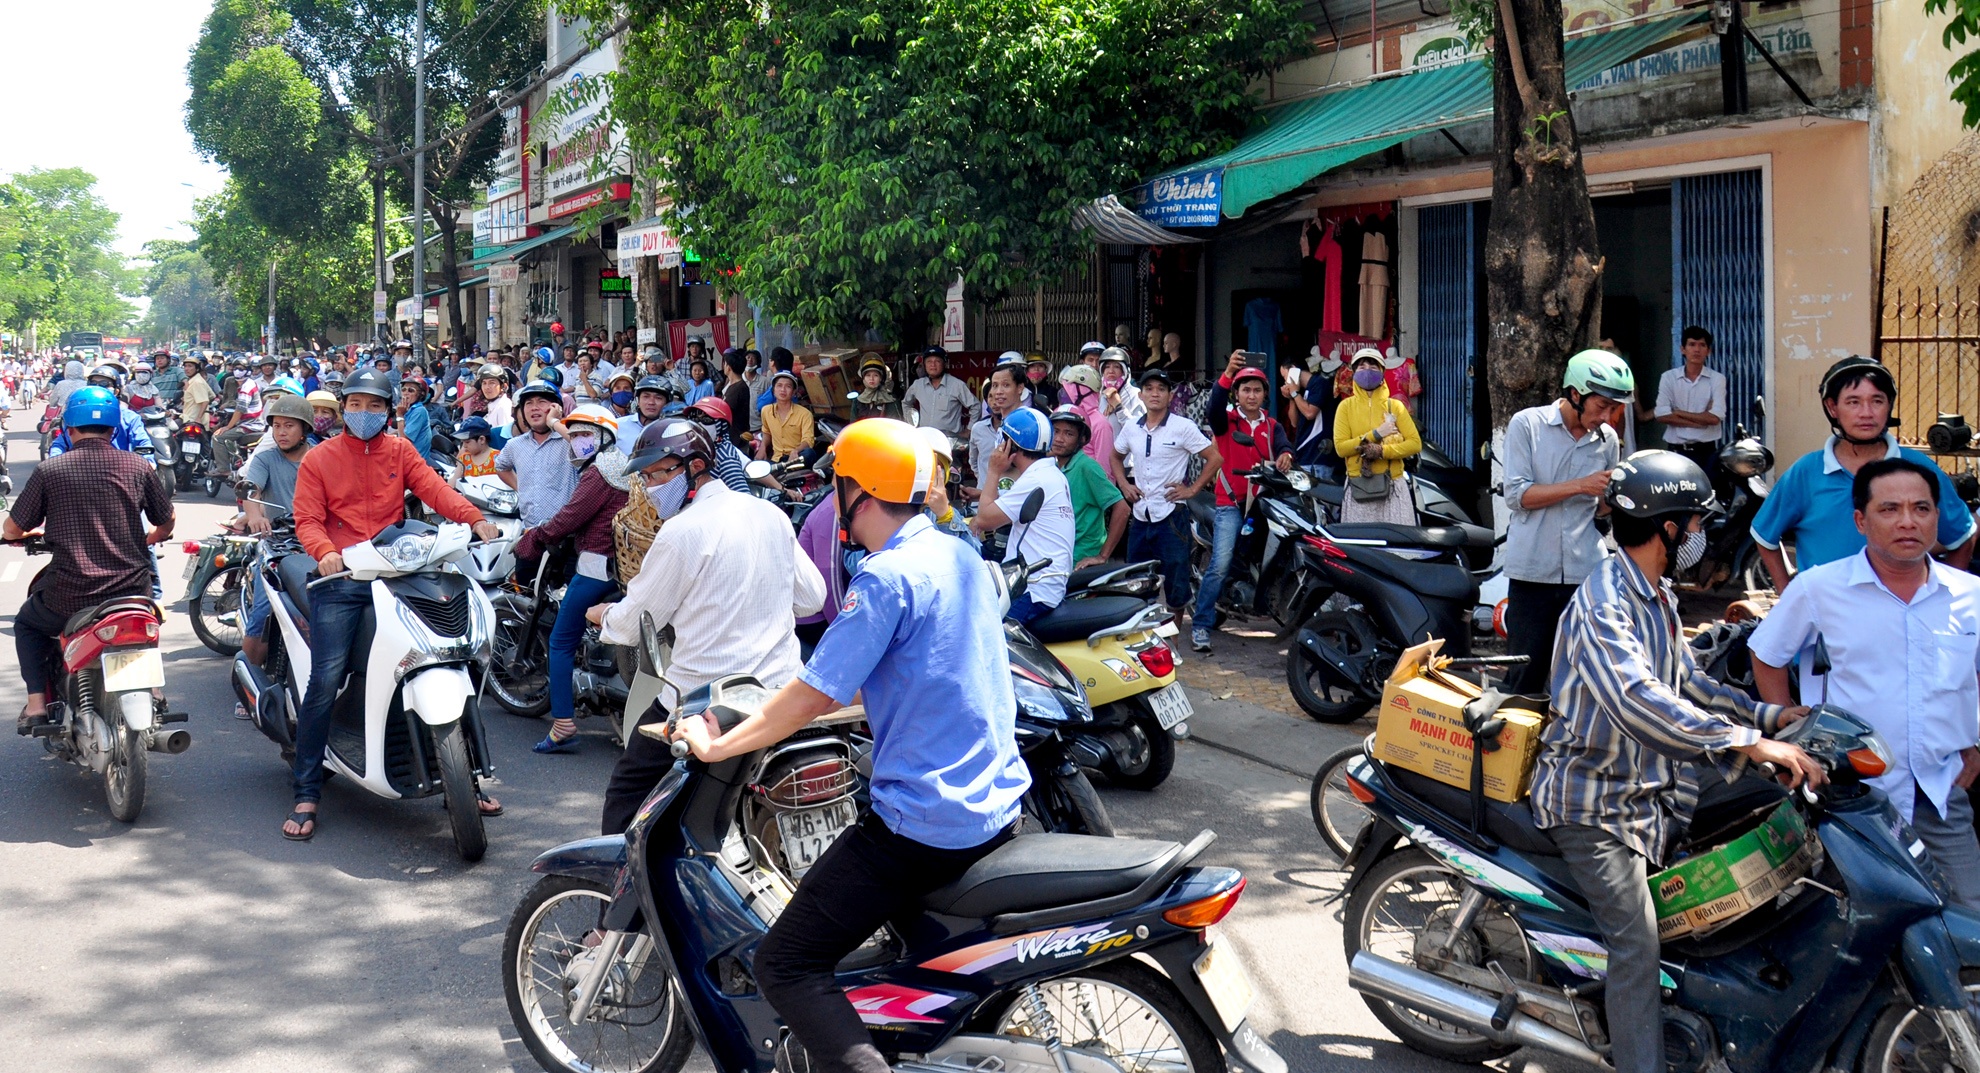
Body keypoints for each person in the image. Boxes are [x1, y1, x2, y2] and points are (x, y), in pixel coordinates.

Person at [667, 418, 1026, 1073]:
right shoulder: (958, 554)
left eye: (838, 487)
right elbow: (910, 669)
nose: (834, 503)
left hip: (925, 825)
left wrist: (717, 745)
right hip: (996, 804)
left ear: (860, 491)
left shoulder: (885, 578)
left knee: (785, 962)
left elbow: (811, 696)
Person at [1529, 450, 1821, 1073]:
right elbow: (1640, 701)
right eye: (1694, 523)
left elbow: (1688, 683)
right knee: (1636, 945)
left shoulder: (1655, 593)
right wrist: (1744, 742)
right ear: (1666, 528)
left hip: (1653, 787)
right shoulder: (1603, 604)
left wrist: (1771, 718)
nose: (1699, 534)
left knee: (1763, 814)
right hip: (1594, 801)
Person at [1748, 457, 1980, 908]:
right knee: (1861, 919)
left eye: (1921, 508)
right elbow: (1767, 655)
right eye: (1889, 509)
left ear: (1937, 517)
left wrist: (1974, 739)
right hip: (1850, 798)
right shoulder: (1820, 588)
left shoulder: (1968, 594)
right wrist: (1790, 730)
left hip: (1940, 792)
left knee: (1966, 917)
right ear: (1860, 520)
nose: (1908, 521)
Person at [284, 369, 503, 840]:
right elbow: (308, 519)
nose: (364, 413)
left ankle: (468, 777)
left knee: (449, 656)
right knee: (325, 679)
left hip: (397, 572)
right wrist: (325, 553)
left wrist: (475, 519)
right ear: (344, 409)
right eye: (356, 405)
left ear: (388, 411)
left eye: (375, 406)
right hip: (343, 578)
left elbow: (437, 491)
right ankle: (307, 790)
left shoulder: (400, 451)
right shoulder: (320, 458)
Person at [587, 419, 827, 834]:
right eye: (646, 478)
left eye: (658, 474)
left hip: (700, 699)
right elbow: (811, 599)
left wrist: (602, 615)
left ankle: (623, 875)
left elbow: (633, 624)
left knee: (627, 793)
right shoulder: (769, 513)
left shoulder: (681, 533)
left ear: (695, 466)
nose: (651, 487)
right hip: (778, 692)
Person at [6, 386, 174, 731]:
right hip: (133, 591)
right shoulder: (138, 466)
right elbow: (166, 519)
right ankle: (154, 691)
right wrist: (152, 537)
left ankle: (36, 705)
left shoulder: (51, 470)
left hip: (70, 595)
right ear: (114, 429)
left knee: (27, 624)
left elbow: (13, 528)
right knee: (145, 623)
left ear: (68, 429)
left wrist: (19, 535)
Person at [1752, 356, 1974, 589]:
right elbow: (1764, 536)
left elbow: (1962, 537)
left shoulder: (1919, 468)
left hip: (1900, 609)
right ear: (1832, 407)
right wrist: (1789, 595)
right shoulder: (1806, 472)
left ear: (1889, 405)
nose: (1866, 413)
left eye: (1877, 401)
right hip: (1827, 610)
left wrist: (1941, 597)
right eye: (1853, 402)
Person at [1499, 349, 1632, 696]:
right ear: (1575, 394)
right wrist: (1581, 486)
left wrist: (1613, 501)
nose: (1607, 417)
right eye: (1601, 406)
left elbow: (1599, 510)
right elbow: (1518, 496)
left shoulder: (1607, 441)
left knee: (1582, 678)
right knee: (1525, 677)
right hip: (1533, 571)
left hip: (1585, 573)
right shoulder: (1527, 425)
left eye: (1614, 409)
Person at [517, 405, 632, 754]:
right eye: (576, 434)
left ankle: (563, 724)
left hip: (596, 567)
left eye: (585, 435)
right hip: (621, 567)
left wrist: (535, 538)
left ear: (602, 437)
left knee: (561, 641)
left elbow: (570, 517)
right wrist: (557, 422)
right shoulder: (618, 462)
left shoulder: (598, 473)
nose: (579, 440)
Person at [1195, 352, 1297, 651]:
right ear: (1236, 394)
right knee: (1220, 564)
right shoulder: (1226, 422)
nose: (1251, 395)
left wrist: (1286, 455)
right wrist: (1227, 373)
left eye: (1257, 390)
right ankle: (1200, 625)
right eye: (1246, 390)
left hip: (1263, 503)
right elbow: (1213, 407)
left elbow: (1285, 446)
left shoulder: (1273, 425)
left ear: (1265, 394)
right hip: (1230, 503)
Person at [1113, 367, 1220, 616]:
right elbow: (1115, 456)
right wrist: (1124, 485)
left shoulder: (1182, 427)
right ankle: (1143, 635)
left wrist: (1192, 489)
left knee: (1176, 584)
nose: (1155, 394)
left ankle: (1172, 638)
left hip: (1171, 515)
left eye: (1161, 389)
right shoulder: (1132, 427)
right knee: (1136, 582)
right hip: (1140, 515)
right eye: (1149, 389)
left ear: (1170, 396)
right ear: (1140, 395)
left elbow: (1214, 458)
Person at [970, 408, 1075, 623]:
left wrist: (994, 470)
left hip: (1033, 588)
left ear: (1009, 444)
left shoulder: (1036, 479)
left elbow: (984, 519)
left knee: (985, 631)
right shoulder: (1051, 474)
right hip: (1045, 583)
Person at [239, 394, 316, 669]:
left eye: (289, 426)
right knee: (263, 611)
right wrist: (255, 517)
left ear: (305, 429)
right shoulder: (266, 459)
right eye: (277, 426)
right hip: (278, 543)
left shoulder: (322, 457)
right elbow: (251, 490)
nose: (281, 432)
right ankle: (249, 677)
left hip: (317, 543)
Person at [1333, 347, 1422, 525]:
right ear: (1354, 373)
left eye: (1373, 367)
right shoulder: (1345, 407)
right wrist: (1375, 434)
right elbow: (1341, 448)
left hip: (1393, 487)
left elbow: (1415, 444)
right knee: (1361, 542)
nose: (1367, 371)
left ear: (1382, 373)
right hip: (1359, 488)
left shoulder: (1395, 406)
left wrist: (1382, 451)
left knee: (1397, 541)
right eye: (1362, 367)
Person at [1048, 407, 1127, 570]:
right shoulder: (1052, 466)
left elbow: (1122, 509)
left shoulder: (1087, 467)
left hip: (1080, 560)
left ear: (1082, 439)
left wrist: (1102, 556)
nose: (1059, 439)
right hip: (1057, 556)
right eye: (1056, 431)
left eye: (1069, 434)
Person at [497, 381, 579, 529]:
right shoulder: (514, 445)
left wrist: (553, 421)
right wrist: (521, 487)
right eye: (528, 403)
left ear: (556, 407)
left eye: (541, 402)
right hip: (530, 530)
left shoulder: (567, 441)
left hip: (567, 532)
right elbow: (501, 466)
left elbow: (585, 447)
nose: (534, 407)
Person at [1654, 326, 1727, 476]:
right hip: (1676, 451)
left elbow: (1715, 418)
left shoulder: (1717, 379)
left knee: (1709, 488)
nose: (1697, 350)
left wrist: (1678, 413)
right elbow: (1661, 415)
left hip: (1706, 452)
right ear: (1683, 349)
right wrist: (1702, 420)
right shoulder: (1668, 378)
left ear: (1708, 351)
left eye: (1702, 345)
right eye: (1692, 344)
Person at [900, 346, 978, 440]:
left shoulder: (957, 385)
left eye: (937, 361)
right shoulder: (918, 385)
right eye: (929, 361)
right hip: (925, 439)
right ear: (924, 365)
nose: (933, 365)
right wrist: (911, 424)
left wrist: (969, 430)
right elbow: (906, 403)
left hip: (949, 440)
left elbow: (976, 406)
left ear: (944, 364)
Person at [1055, 364, 1117, 479]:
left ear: (1082, 391)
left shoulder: (1100, 424)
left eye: (1068, 389)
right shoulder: (1063, 416)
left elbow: (1104, 470)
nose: (1063, 393)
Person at [967, 363, 1023, 489]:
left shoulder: (1028, 423)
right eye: (995, 386)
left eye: (1006, 385)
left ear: (1020, 388)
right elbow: (974, 462)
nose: (998, 392)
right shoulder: (985, 427)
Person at [211, 363, 266, 476]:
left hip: (249, 425)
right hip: (253, 423)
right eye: (235, 368)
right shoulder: (249, 384)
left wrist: (227, 427)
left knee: (217, 437)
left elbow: (240, 410)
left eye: (241, 369)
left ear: (248, 371)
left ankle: (223, 470)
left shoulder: (246, 387)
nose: (237, 371)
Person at [758, 371, 815, 463]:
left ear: (794, 392)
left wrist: (796, 451)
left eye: (788, 386)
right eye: (779, 385)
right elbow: (766, 432)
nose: (783, 390)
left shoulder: (805, 414)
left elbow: (808, 440)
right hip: (777, 459)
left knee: (809, 453)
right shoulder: (766, 411)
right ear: (773, 390)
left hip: (796, 458)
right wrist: (762, 447)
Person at [720, 349, 754, 450]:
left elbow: (726, 410)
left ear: (729, 367)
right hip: (731, 435)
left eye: (725, 364)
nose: (724, 366)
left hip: (737, 439)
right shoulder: (731, 385)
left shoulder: (740, 387)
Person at [397, 376, 435, 463]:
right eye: (403, 390)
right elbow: (402, 430)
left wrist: (399, 416)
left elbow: (404, 441)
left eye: (411, 390)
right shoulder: (409, 410)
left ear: (421, 394)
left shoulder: (419, 411)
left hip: (414, 462)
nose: (405, 393)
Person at [851, 356, 900, 421]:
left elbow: (896, 423)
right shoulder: (857, 401)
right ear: (863, 378)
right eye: (868, 375)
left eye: (876, 375)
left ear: (881, 378)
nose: (871, 378)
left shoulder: (890, 399)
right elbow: (853, 424)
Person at [179, 354, 215, 427]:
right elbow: (212, 396)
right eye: (185, 366)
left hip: (191, 421)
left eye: (190, 366)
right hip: (190, 419)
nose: (186, 369)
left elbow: (205, 401)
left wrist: (199, 418)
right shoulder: (196, 380)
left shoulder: (197, 382)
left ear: (197, 369)